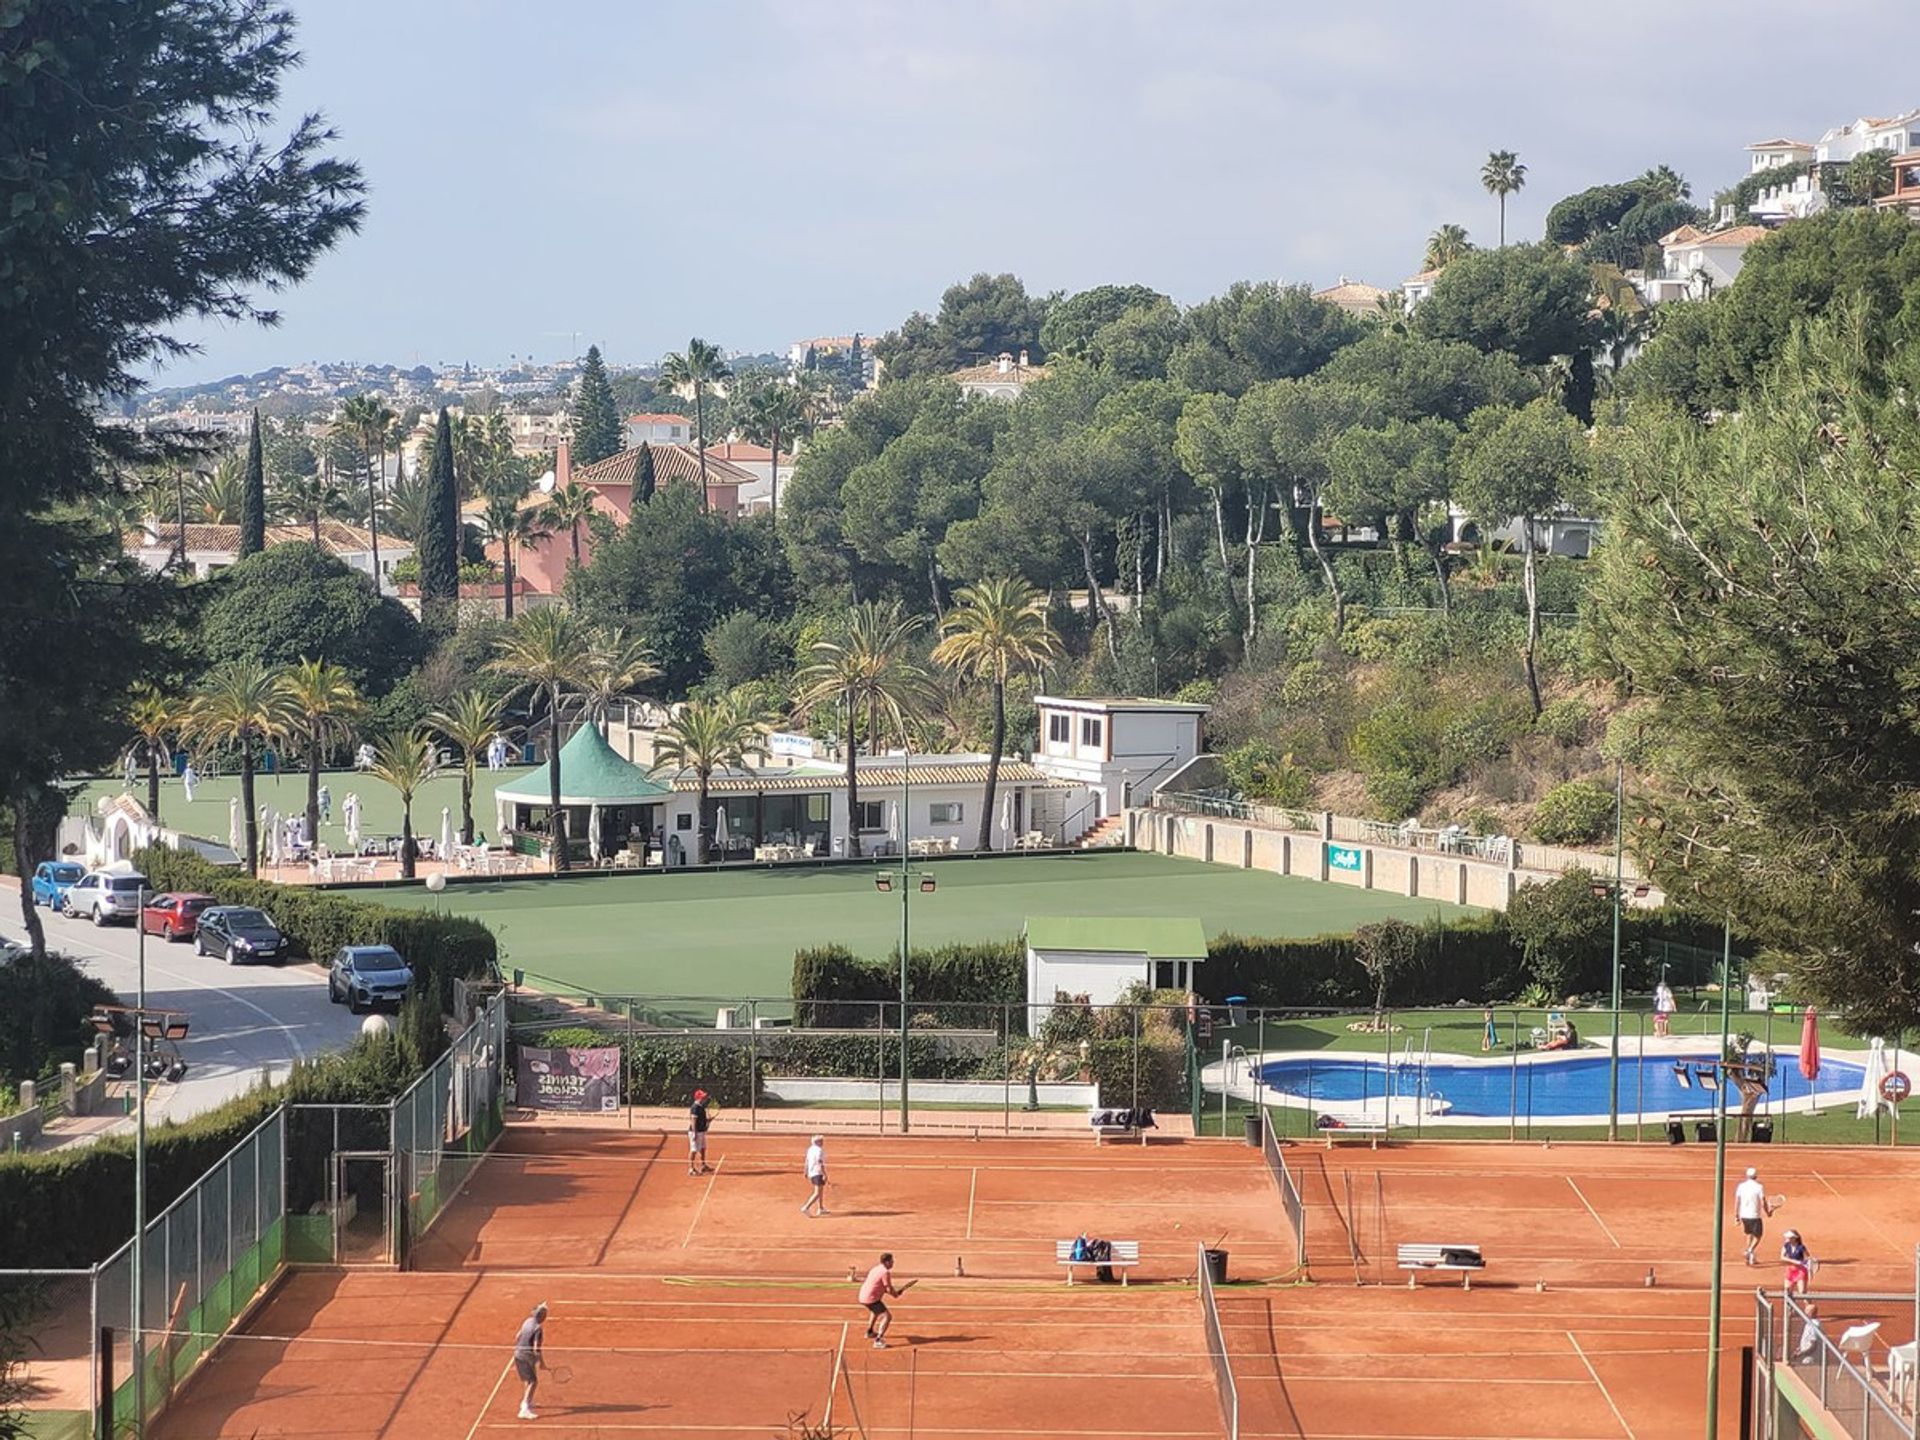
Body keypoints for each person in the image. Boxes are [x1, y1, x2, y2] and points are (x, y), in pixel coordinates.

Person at [858, 1252, 910, 1349]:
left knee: (875, 1312)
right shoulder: (885, 1272)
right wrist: (895, 1294)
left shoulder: (875, 1268)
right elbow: (889, 1289)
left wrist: (893, 1293)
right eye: (891, 1261)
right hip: (871, 1299)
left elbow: (879, 1286)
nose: (893, 1263)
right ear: (886, 1262)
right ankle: (878, 1340)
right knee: (887, 1317)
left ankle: (869, 1332)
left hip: (863, 1296)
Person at [513, 1302, 547, 1421]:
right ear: (541, 1315)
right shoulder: (538, 1328)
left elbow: (517, 1336)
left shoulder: (527, 1321)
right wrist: (541, 1362)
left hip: (518, 1353)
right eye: (545, 1314)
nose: (546, 1316)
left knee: (528, 1380)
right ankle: (524, 1409)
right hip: (526, 1356)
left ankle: (528, 1401)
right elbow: (536, 1347)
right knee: (533, 1382)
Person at [1735, 1167, 1774, 1265]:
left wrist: (1736, 1215)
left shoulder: (1741, 1186)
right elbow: (1763, 1201)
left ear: (1747, 1176)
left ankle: (1749, 1256)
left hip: (1744, 1215)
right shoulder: (1759, 1187)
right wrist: (1768, 1212)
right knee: (1758, 1236)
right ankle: (1750, 1251)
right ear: (1756, 1176)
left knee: (1749, 1234)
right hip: (1755, 1215)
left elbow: (1737, 1201)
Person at [800, 1134, 828, 1217]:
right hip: (817, 1172)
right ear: (817, 1142)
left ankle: (821, 1208)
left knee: (820, 1190)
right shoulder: (819, 1150)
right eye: (821, 1141)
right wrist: (824, 1174)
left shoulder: (810, 1149)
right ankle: (806, 1207)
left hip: (812, 1172)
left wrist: (805, 1171)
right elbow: (820, 1162)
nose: (823, 1142)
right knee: (817, 1192)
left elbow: (807, 1161)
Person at [1781, 1229, 1814, 1294]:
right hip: (1790, 1270)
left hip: (1800, 1271)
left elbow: (1808, 1258)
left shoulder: (1801, 1247)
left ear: (1794, 1238)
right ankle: (1789, 1304)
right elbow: (1782, 1257)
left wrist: (1809, 1270)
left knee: (1802, 1292)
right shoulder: (1786, 1246)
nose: (1786, 1239)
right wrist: (1795, 1261)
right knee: (1787, 1291)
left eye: (1789, 1238)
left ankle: (1808, 1304)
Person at [688, 1089, 712, 1175]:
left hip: (701, 1131)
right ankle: (691, 1169)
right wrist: (694, 1133)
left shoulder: (701, 1107)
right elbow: (693, 1121)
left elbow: (703, 1120)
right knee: (694, 1150)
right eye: (703, 1097)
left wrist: (708, 1121)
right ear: (698, 1098)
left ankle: (703, 1165)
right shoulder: (695, 1107)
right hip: (696, 1132)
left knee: (703, 1148)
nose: (704, 1099)